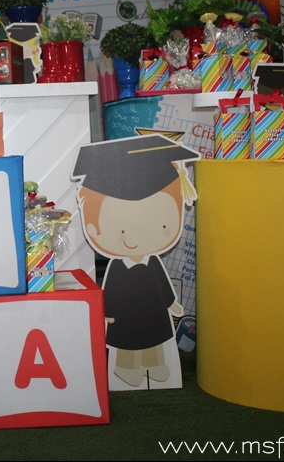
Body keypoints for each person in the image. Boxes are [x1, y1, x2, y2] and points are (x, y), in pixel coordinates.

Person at [72, 134, 199, 388]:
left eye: (163, 225)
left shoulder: (154, 263)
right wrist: (107, 313)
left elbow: (162, 284)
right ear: (94, 228)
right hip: (125, 314)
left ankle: (156, 365)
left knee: (154, 337)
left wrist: (172, 303)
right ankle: (126, 369)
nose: (137, 237)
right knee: (128, 342)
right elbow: (112, 291)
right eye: (121, 230)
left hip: (154, 311)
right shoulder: (118, 267)